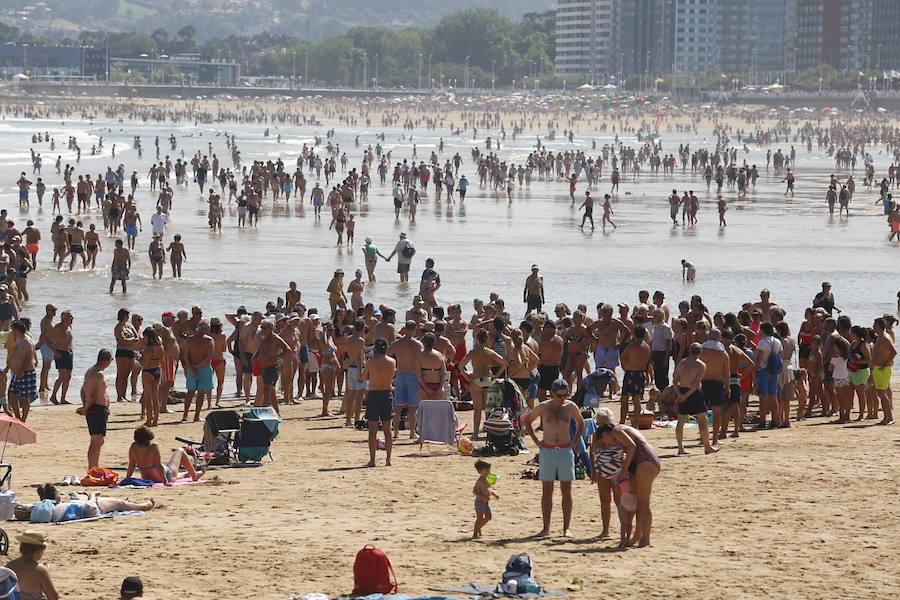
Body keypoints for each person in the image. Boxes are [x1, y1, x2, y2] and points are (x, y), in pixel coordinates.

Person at [522, 379, 585, 538]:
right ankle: (546, 528)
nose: (561, 398)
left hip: (565, 450)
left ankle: (566, 528)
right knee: (547, 491)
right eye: (558, 395)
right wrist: (536, 441)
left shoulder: (570, 407)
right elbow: (527, 421)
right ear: (552, 392)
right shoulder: (544, 406)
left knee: (566, 491)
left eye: (564, 395)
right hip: (548, 451)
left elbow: (581, 422)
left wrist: (575, 440)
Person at [592, 410, 660, 547]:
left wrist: (624, 471)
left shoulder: (617, 431)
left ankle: (643, 538)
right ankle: (638, 537)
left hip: (646, 462)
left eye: (605, 440)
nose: (606, 444)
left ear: (607, 432)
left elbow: (632, 447)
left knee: (643, 503)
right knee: (641, 503)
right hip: (645, 462)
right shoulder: (618, 431)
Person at [673, 343, 718, 455]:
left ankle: (680, 448)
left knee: (681, 421)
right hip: (693, 394)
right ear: (700, 352)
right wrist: (686, 395)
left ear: (690, 351)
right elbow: (696, 384)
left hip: (682, 391)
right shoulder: (701, 365)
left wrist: (680, 394)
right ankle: (707, 447)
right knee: (703, 420)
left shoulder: (682, 363)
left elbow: (674, 381)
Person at [126, 425, 203, 484]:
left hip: (147, 477)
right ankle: (194, 475)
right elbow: (158, 466)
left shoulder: (133, 446)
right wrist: (165, 482)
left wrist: (127, 479)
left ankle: (186, 474)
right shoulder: (153, 446)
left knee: (174, 474)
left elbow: (131, 466)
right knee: (180, 451)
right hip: (164, 476)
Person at [362, 338, 396, 467]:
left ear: (375, 349)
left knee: (372, 430)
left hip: (374, 394)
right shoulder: (392, 362)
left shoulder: (371, 362)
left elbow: (364, 376)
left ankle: (372, 460)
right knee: (387, 429)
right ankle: (388, 459)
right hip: (386, 394)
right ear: (386, 349)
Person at [77, 349, 113, 469]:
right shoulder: (98, 374)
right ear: (106, 360)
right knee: (96, 441)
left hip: (97, 409)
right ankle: (92, 468)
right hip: (96, 409)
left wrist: (84, 404)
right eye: (111, 360)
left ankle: (94, 467)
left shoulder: (90, 371)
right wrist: (85, 408)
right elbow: (91, 395)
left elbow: (83, 390)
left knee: (98, 441)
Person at [5, 530, 60, 600]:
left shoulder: (10, 565)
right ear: (39, 550)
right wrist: (46, 572)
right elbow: (53, 597)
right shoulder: (40, 570)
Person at [7, 320, 37, 421]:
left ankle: (23, 420)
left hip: (25, 372)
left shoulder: (27, 341)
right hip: (16, 372)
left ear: (18, 330)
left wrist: (21, 370)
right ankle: (18, 417)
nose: (12, 332)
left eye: (13, 330)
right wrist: (8, 368)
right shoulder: (18, 339)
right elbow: (14, 355)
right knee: (11, 394)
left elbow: (29, 357)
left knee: (25, 397)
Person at [472, 459, 499, 539]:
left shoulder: (486, 479)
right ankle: (475, 533)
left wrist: (494, 494)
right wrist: (482, 496)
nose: (489, 472)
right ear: (480, 471)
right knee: (479, 518)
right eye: (486, 470)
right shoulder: (480, 480)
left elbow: (487, 489)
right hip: (479, 501)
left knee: (488, 517)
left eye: (489, 470)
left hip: (485, 502)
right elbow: (475, 491)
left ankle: (479, 528)